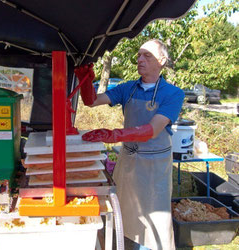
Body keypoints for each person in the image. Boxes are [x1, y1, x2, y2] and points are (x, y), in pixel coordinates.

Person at [75, 39, 184, 250]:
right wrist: (85, 80)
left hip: (155, 167)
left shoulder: (173, 94)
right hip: (129, 161)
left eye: (147, 55)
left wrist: (113, 134)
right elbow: (92, 101)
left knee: (154, 219)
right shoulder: (128, 88)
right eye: (139, 55)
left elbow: (152, 129)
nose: (140, 59)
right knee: (123, 213)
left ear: (162, 60)